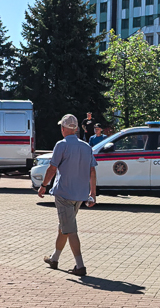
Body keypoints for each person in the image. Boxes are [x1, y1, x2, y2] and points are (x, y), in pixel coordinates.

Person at [38, 114, 97, 277]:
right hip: (80, 194)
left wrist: (43, 186)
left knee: (70, 229)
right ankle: (54, 258)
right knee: (64, 226)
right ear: (76, 128)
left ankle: (80, 265)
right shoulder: (86, 147)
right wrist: (93, 193)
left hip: (64, 193)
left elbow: (52, 168)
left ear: (64, 128)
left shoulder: (61, 145)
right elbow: (92, 171)